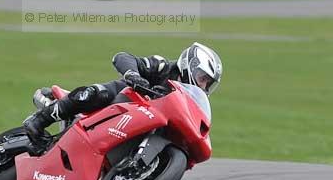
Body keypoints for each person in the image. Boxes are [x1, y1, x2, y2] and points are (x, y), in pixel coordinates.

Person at [21, 42, 222, 145]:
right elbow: (122, 57)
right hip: (123, 101)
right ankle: (38, 121)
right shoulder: (163, 67)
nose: (204, 86)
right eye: (203, 78)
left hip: (143, 124)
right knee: (94, 93)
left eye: (208, 83)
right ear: (189, 65)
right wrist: (133, 75)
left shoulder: (189, 101)